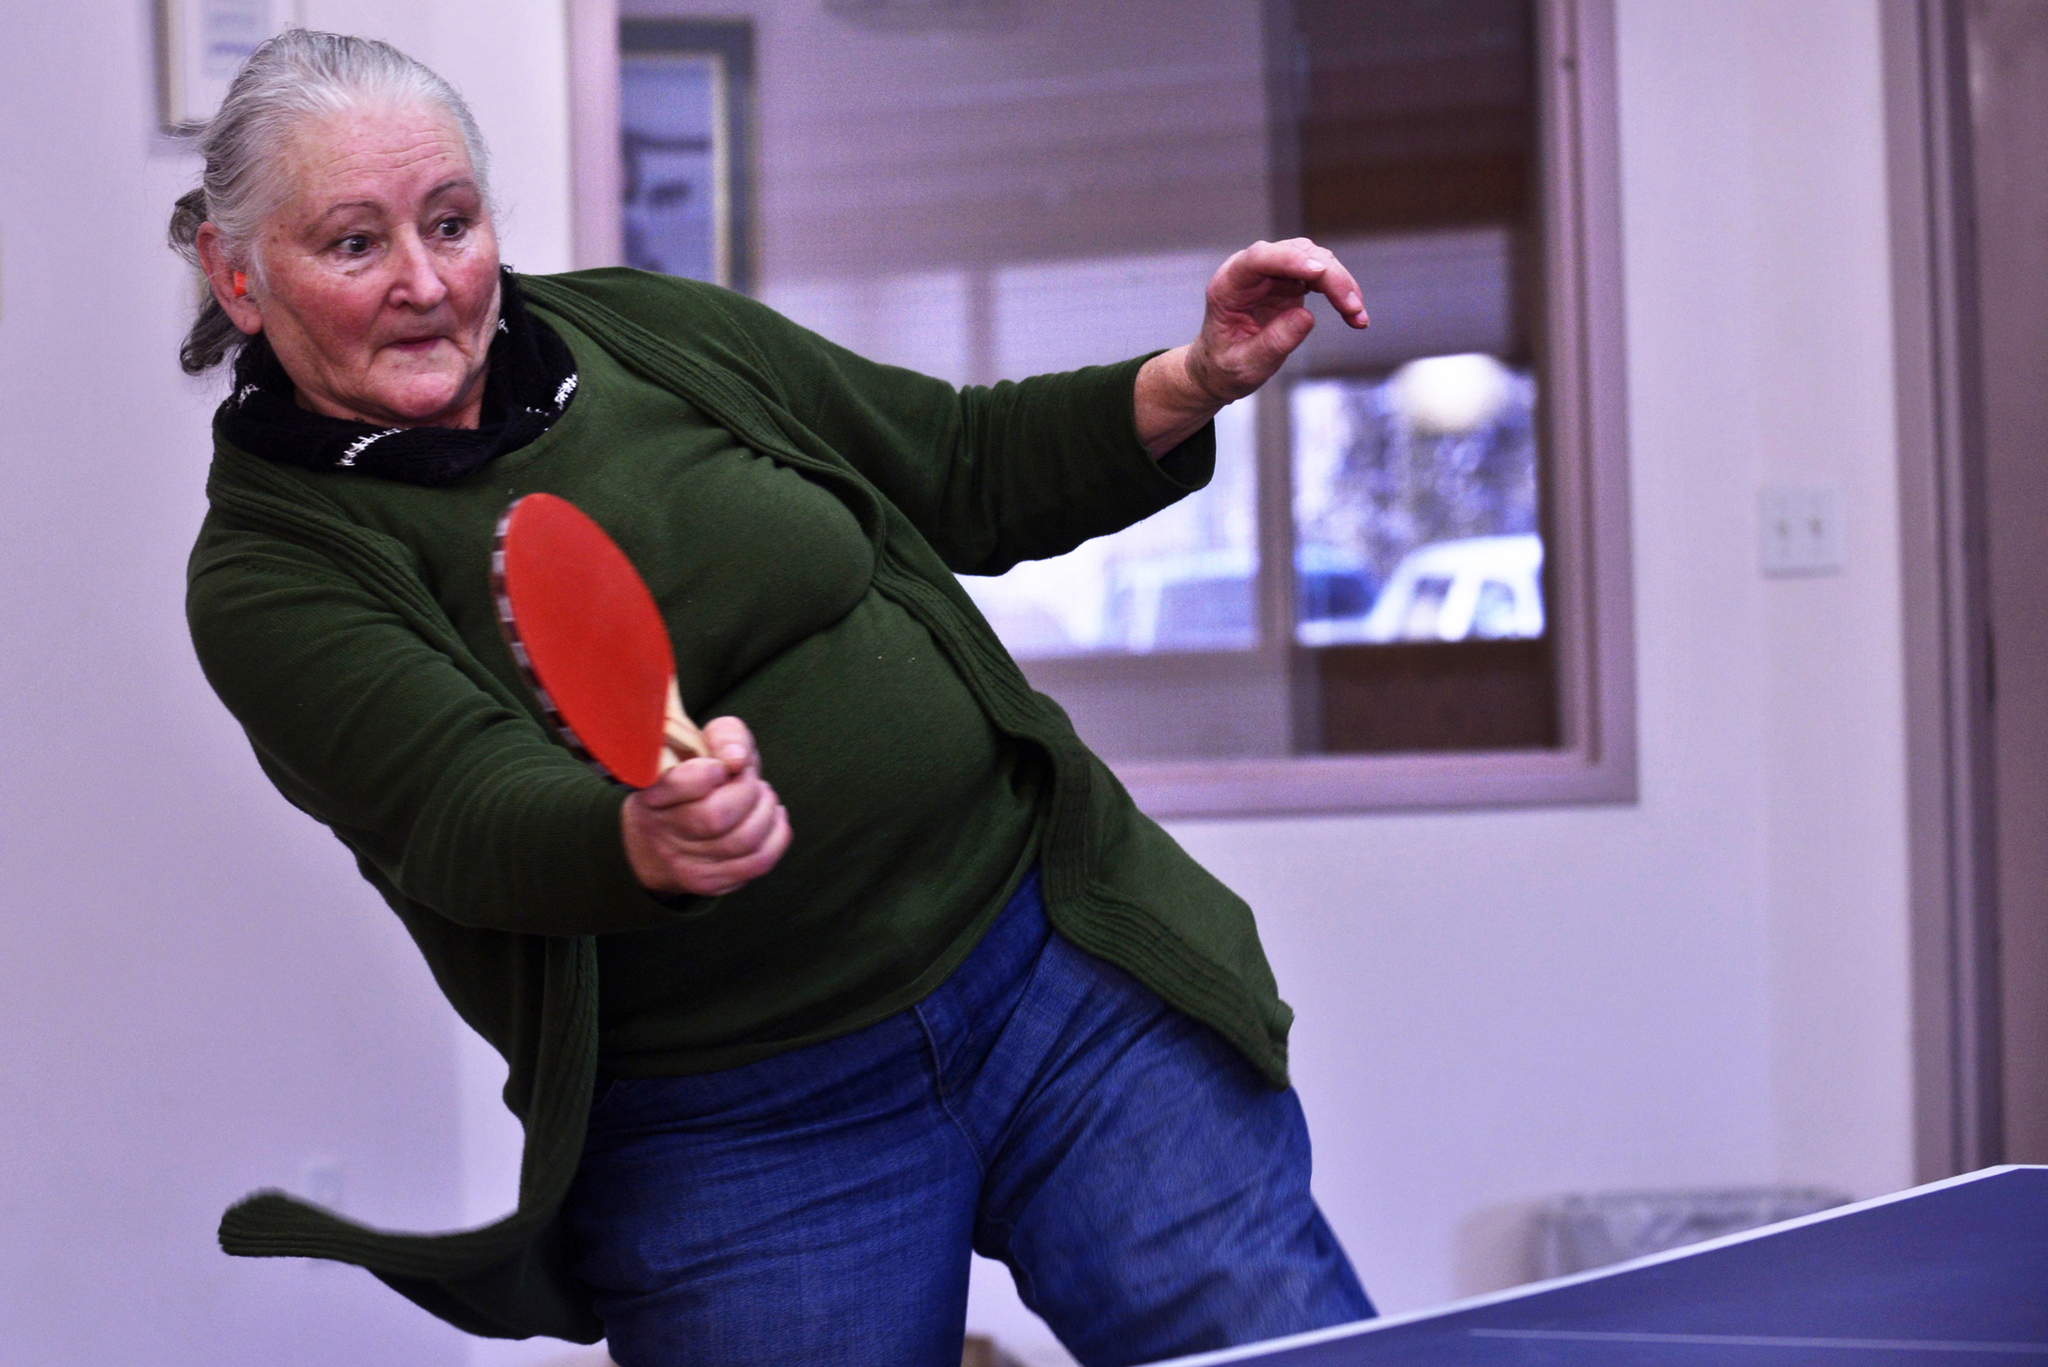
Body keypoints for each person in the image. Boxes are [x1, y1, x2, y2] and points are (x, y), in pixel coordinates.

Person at [174, 30, 1374, 1367]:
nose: (425, 280)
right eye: (353, 244)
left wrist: (1190, 378)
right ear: (239, 275)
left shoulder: (642, 333)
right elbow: (462, 814)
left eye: (452, 222)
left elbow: (953, 460)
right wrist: (640, 839)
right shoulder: (271, 574)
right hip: (742, 1124)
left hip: (1054, 983)